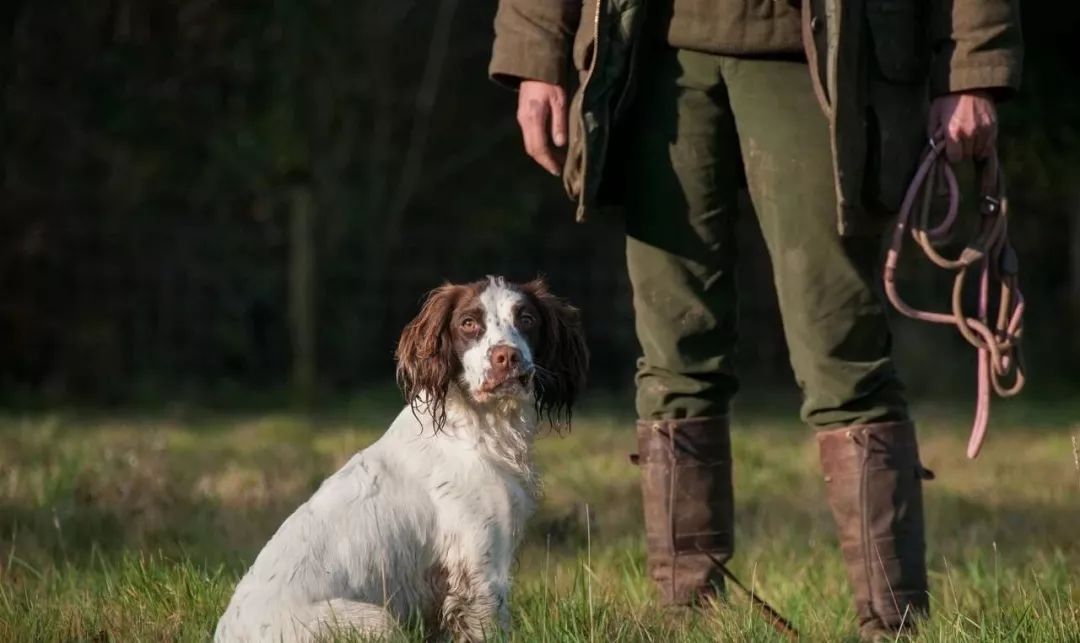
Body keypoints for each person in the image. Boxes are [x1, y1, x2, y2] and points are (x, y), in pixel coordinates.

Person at [488, 0, 1022, 639]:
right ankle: (689, 618)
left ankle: (894, 623)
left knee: (843, 355)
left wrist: (971, 68)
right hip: (654, 53)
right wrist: (534, 55)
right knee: (673, 355)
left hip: (820, 54)